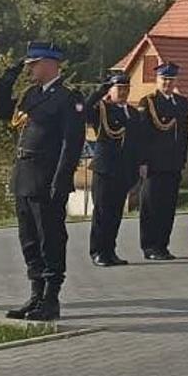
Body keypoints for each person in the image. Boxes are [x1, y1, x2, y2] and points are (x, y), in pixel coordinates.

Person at [0, 41, 84, 322]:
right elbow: (2, 112)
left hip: (47, 178)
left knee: (50, 238)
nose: (29, 69)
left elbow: (72, 144)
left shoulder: (68, 99)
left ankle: (51, 297)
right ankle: (35, 294)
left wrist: (62, 179)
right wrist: (3, 85)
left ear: (50, 64)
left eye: (34, 64)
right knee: (29, 239)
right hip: (24, 175)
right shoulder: (30, 94)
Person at [136, 62, 188, 260]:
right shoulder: (148, 102)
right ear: (157, 80)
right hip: (154, 164)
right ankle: (150, 246)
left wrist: (183, 159)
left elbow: (185, 133)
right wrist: (142, 161)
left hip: (173, 163)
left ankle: (163, 245)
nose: (167, 83)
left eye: (171, 79)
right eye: (164, 79)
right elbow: (142, 135)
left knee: (168, 207)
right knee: (151, 206)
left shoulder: (181, 102)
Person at [85, 69, 141, 267]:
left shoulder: (133, 114)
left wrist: (137, 169)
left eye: (126, 88)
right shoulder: (102, 110)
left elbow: (136, 144)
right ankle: (98, 251)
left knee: (116, 213)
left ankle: (110, 250)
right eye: (119, 88)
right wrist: (100, 91)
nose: (123, 92)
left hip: (123, 170)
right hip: (105, 169)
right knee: (102, 212)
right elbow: (83, 109)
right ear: (111, 90)